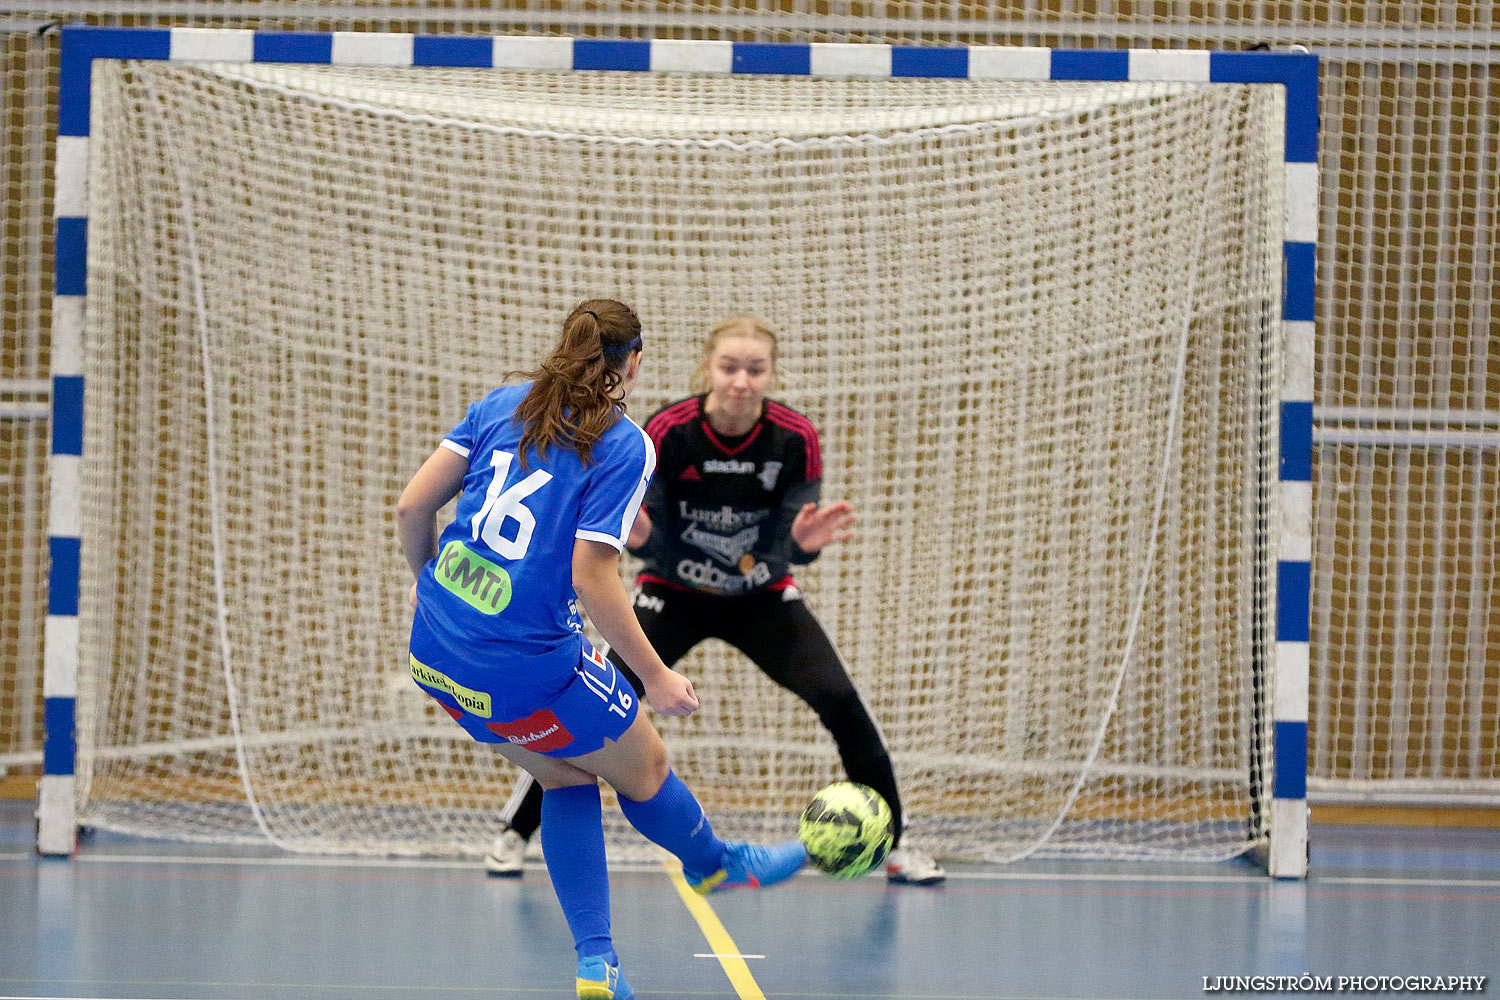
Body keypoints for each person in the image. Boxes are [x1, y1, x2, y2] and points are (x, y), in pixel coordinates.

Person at [399, 300, 807, 1000]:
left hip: (435, 652)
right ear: (634, 363)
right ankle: (712, 864)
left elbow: (412, 507)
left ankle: (598, 964)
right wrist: (656, 676)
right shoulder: (622, 444)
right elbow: (593, 576)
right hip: (527, 666)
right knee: (645, 765)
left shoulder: (502, 403)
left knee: (563, 778)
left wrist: (433, 588)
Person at [483, 315, 946, 887]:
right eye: (730, 367)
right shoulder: (669, 431)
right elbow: (644, 530)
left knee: (842, 702)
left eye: (756, 369)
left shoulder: (794, 438)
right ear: (709, 369)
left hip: (762, 600)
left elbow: (785, 544)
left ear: (771, 374)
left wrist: (800, 549)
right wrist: (647, 538)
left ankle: (892, 845)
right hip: (673, 595)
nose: (742, 381)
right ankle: (515, 831)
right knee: (588, 706)